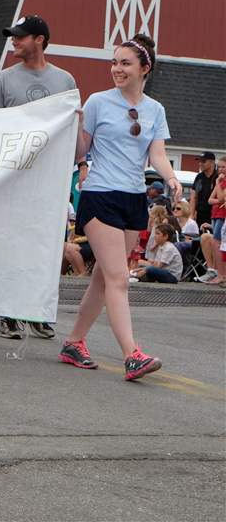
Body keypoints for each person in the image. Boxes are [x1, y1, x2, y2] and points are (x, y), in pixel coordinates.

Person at [59, 34, 177, 382]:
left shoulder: (155, 110)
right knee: (118, 278)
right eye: (114, 62)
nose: (117, 69)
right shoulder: (98, 102)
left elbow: (157, 155)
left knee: (103, 278)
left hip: (133, 198)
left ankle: (74, 342)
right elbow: (82, 152)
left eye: (125, 63)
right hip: (100, 195)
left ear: (144, 69)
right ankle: (132, 355)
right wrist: (77, 127)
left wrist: (171, 178)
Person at [0, 14, 76, 340]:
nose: (14, 41)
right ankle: (8, 313)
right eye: (13, 36)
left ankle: (37, 311)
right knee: (11, 247)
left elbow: (72, 131)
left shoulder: (65, 81)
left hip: (49, 180)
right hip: (12, 179)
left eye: (20, 36)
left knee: (44, 248)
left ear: (40, 40)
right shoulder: (2, 81)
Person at [195, 155, 226, 283]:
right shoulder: (220, 181)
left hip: (222, 215)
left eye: (224, 167)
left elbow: (221, 198)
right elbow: (210, 200)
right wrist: (218, 199)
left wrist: (218, 185)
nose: (221, 170)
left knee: (217, 243)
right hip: (215, 214)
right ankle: (216, 271)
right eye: (220, 167)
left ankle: (221, 274)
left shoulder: (220, 182)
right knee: (214, 242)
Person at [190, 151, 219, 227]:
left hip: (214, 215)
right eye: (199, 161)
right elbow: (194, 196)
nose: (200, 164)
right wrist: (191, 215)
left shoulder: (218, 177)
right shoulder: (199, 177)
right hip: (200, 214)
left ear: (212, 162)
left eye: (203, 161)